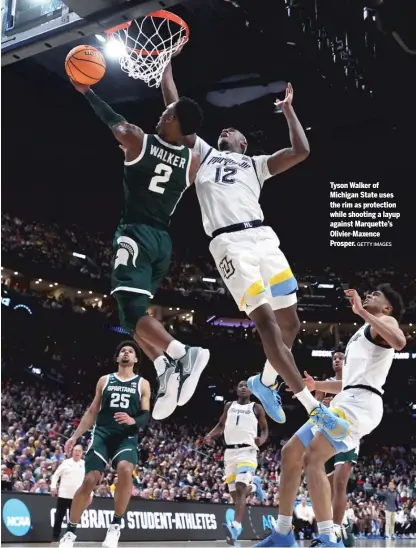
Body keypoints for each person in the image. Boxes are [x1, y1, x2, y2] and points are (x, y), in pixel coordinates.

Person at [159, 60, 350, 439]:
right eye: (224, 129)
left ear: (243, 143)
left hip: (264, 238)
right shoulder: (204, 153)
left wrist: (290, 111)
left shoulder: (255, 164)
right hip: (230, 243)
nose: (226, 128)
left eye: (235, 130)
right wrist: (165, 69)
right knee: (266, 323)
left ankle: (266, 382)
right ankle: (313, 409)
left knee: (291, 323)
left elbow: (301, 150)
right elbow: (177, 112)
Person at [70, 80, 208, 421]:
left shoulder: (136, 139)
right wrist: (169, 77)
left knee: (131, 311)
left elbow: (111, 118)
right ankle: (164, 367)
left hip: (136, 234)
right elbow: (182, 121)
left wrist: (86, 90)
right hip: (162, 241)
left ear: (174, 122)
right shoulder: (190, 161)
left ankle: (182, 353)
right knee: (129, 317)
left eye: (167, 113)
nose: (162, 113)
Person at [257, 284, 406, 547]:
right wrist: (317, 387)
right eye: (370, 293)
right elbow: (348, 383)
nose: (370, 294)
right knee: (290, 452)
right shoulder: (362, 333)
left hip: (361, 405)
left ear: (387, 307)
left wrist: (362, 311)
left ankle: (329, 538)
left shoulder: (385, 320)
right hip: (347, 397)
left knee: (313, 456)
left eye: (377, 294)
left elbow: (399, 341)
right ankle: (282, 533)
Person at [59, 341, 151, 548]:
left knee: (125, 469)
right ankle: (70, 532)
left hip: (126, 437)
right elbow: (92, 411)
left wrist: (133, 421)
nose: (126, 352)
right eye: (122, 351)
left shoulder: (142, 383)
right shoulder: (105, 380)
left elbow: (146, 415)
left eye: (131, 351)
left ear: (135, 359)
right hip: (102, 434)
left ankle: (115, 526)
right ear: (118, 358)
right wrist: (75, 436)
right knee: (90, 480)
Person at [204, 380, 268, 545]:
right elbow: (221, 425)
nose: (243, 387)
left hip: (247, 451)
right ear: (236, 390)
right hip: (229, 452)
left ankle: (236, 527)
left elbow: (265, 429)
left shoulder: (256, 408)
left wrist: (262, 439)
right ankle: (254, 486)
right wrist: (210, 435)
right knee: (235, 494)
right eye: (240, 385)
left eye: (246, 385)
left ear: (251, 390)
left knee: (240, 487)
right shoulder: (229, 406)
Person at [317, 352, 357, 547]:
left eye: (341, 357)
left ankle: (333, 532)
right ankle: (344, 522)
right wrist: (321, 407)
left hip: (349, 434)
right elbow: (312, 412)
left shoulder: (354, 380)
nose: (337, 360)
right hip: (326, 438)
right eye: (334, 358)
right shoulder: (325, 384)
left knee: (341, 483)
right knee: (327, 487)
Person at [51, 444, 91, 542]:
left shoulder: (85, 464)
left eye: (79, 451)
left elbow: (89, 481)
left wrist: (90, 493)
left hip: (77, 496)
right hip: (64, 495)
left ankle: (69, 536)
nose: (77, 452)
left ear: (82, 453)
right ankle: (55, 537)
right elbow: (56, 475)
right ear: (72, 452)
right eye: (75, 450)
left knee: (74, 518)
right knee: (59, 516)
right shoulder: (65, 463)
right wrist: (53, 486)